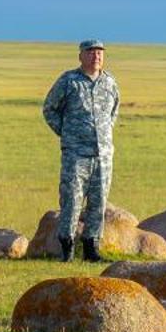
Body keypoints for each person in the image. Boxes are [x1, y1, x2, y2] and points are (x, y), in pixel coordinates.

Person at [41, 39, 120, 259]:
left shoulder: (110, 82)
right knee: (72, 200)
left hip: (103, 156)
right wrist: (67, 134)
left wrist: (104, 135)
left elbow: (114, 111)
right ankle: (66, 249)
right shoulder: (69, 81)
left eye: (100, 53)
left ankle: (92, 249)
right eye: (91, 52)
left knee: (98, 202)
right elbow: (49, 109)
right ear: (81, 56)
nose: (96, 56)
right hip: (76, 155)